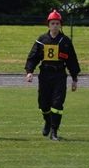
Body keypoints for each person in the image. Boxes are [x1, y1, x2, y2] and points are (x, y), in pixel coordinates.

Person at [25, 9, 81, 141]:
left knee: (57, 103)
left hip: (59, 75)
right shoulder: (41, 40)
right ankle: (48, 122)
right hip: (45, 75)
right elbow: (33, 57)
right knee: (43, 104)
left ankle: (54, 131)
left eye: (57, 23)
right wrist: (29, 72)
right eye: (52, 23)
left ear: (60, 25)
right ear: (48, 25)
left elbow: (72, 60)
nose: (55, 25)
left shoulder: (65, 41)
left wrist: (74, 79)